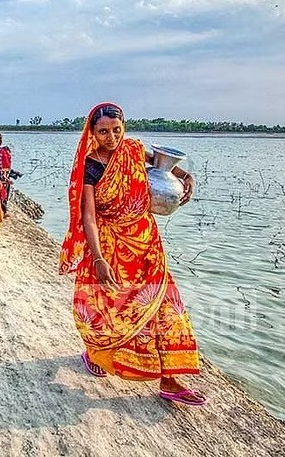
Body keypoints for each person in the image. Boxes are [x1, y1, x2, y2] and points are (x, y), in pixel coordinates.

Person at [59, 102, 205, 406]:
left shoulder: (133, 150)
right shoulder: (92, 164)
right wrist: (98, 258)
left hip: (146, 242)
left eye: (116, 130)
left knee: (164, 305)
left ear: (124, 127)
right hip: (110, 247)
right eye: (103, 132)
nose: (111, 137)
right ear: (92, 132)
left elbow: (165, 167)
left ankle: (169, 379)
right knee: (109, 308)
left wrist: (186, 178)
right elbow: (89, 216)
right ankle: (97, 353)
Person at [0, 132, 12, 215]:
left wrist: (6, 176)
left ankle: (4, 211)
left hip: (3, 175)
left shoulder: (3, 152)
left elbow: (7, 165)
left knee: (3, 194)